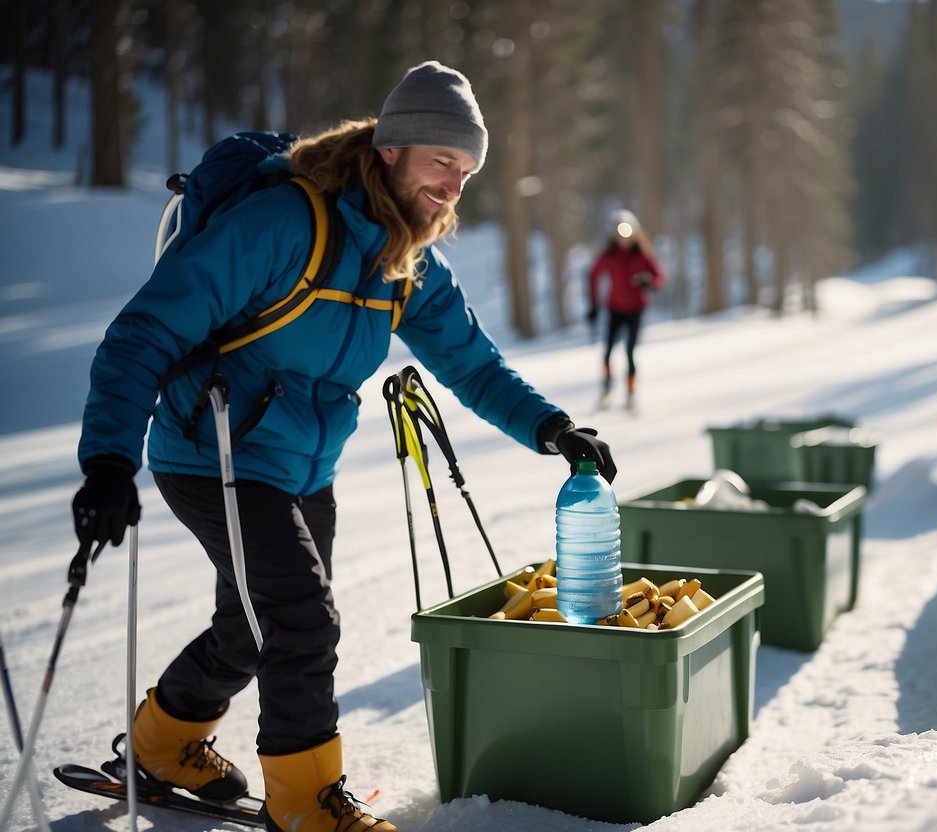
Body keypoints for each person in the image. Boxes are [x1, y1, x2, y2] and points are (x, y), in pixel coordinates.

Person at [70, 61, 614, 832]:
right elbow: (144, 332)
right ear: (390, 150)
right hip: (214, 455)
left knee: (253, 623)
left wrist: (552, 428)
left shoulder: (406, 256)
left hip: (300, 466)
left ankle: (162, 745)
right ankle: (306, 803)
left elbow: (470, 363)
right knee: (299, 620)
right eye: (442, 162)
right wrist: (108, 461)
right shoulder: (283, 222)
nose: (455, 186)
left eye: (467, 170)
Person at [586, 209, 665, 409]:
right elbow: (593, 275)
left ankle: (630, 393)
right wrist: (594, 304)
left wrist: (650, 283)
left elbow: (659, 277)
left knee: (630, 351)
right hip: (615, 308)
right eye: (619, 232)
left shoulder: (642, 253)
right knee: (608, 351)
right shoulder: (609, 255)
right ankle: (606, 389)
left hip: (636, 309)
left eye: (627, 232)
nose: (623, 238)